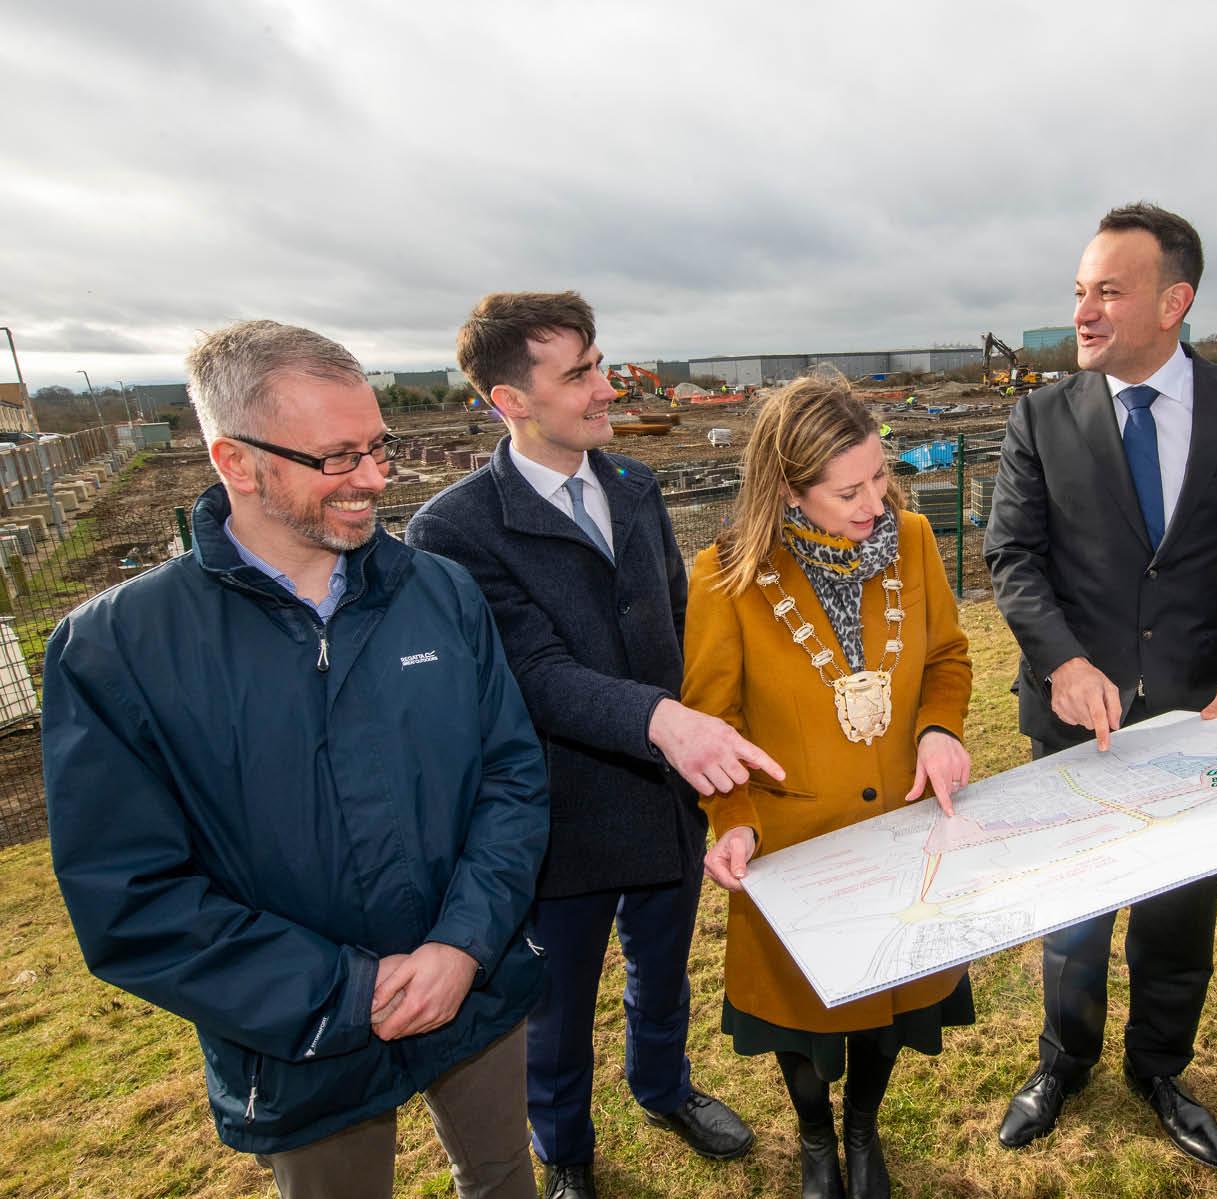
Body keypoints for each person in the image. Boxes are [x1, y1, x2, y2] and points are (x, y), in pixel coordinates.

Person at [43, 320, 550, 1198]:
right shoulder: (117, 648)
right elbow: (130, 894)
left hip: (475, 988)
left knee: (504, 1175)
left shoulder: (438, 591)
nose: (375, 479)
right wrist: (346, 992)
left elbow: (510, 777)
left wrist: (462, 945)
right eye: (338, 457)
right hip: (300, 1039)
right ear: (235, 462)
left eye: (379, 447)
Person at [983, 202, 1217, 1167]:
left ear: (1174, 301)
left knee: (1177, 916)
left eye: (1107, 292)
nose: (1082, 312)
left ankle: (1161, 1068)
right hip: (1072, 723)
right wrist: (1066, 660)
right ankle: (1063, 1059)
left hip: (1200, 722)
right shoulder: (1038, 417)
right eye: (1079, 291)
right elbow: (1012, 558)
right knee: (1075, 915)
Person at [406, 292, 761, 1199]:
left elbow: (678, 628)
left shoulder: (635, 487)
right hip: (554, 816)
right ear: (508, 400)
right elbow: (531, 668)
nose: (606, 387)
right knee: (556, 1005)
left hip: (664, 796)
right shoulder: (454, 529)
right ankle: (564, 1150)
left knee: (664, 970)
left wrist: (711, 728)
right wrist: (664, 721)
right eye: (579, 374)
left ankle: (664, 1088)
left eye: (599, 363)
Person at [682, 373, 975, 1199]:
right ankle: (815, 1137)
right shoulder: (724, 575)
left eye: (880, 476)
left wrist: (939, 728)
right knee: (800, 1022)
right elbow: (715, 717)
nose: (874, 501)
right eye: (849, 490)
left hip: (904, 832)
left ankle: (862, 1130)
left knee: (891, 1002)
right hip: (794, 851)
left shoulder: (913, 540)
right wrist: (731, 820)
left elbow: (946, 657)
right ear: (786, 487)